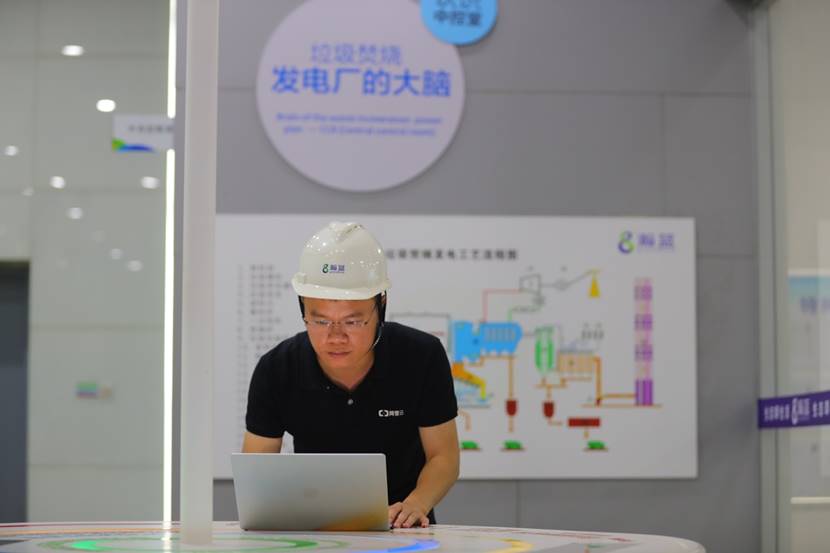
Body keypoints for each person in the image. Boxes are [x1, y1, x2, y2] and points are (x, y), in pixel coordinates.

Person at [242, 221, 460, 529]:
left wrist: (416, 504)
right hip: (313, 529)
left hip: (403, 527)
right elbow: (256, 472)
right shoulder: (277, 369)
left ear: (381, 305)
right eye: (320, 321)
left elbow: (444, 457)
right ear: (302, 309)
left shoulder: (421, 357)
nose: (336, 337)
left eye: (353, 322)